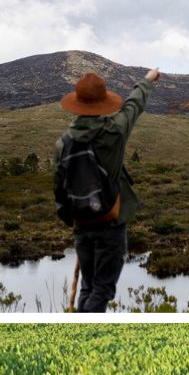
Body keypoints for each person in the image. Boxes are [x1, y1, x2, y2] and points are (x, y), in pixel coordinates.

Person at [53, 68, 160, 312]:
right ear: (103, 103)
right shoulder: (114, 132)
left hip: (82, 223)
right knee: (102, 288)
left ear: (77, 104)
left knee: (88, 286)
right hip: (110, 223)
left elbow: (59, 187)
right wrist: (147, 80)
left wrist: (71, 217)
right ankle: (87, 340)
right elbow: (133, 106)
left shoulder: (63, 143)